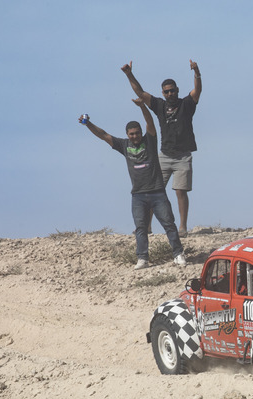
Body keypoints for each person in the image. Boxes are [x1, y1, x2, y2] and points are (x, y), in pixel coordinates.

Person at [79, 100, 186, 270]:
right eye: (131, 134)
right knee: (141, 228)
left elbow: (150, 123)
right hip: (138, 195)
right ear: (127, 134)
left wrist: (142, 106)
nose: (134, 136)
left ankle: (178, 254)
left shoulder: (149, 141)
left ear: (141, 133)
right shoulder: (124, 145)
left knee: (169, 224)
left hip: (157, 192)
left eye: (137, 133)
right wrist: (88, 124)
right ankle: (142, 258)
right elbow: (104, 135)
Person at [122, 60, 202, 236]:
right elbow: (140, 93)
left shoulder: (186, 105)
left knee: (180, 190)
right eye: (166, 91)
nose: (170, 93)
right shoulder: (159, 105)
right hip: (164, 155)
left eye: (172, 90)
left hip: (183, 156)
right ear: (163, 93)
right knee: (152, 190)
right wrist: (129, 74)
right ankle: (146, 227)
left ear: (177, 90)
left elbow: (197, 91)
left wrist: (196, 72)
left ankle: (182, 227)